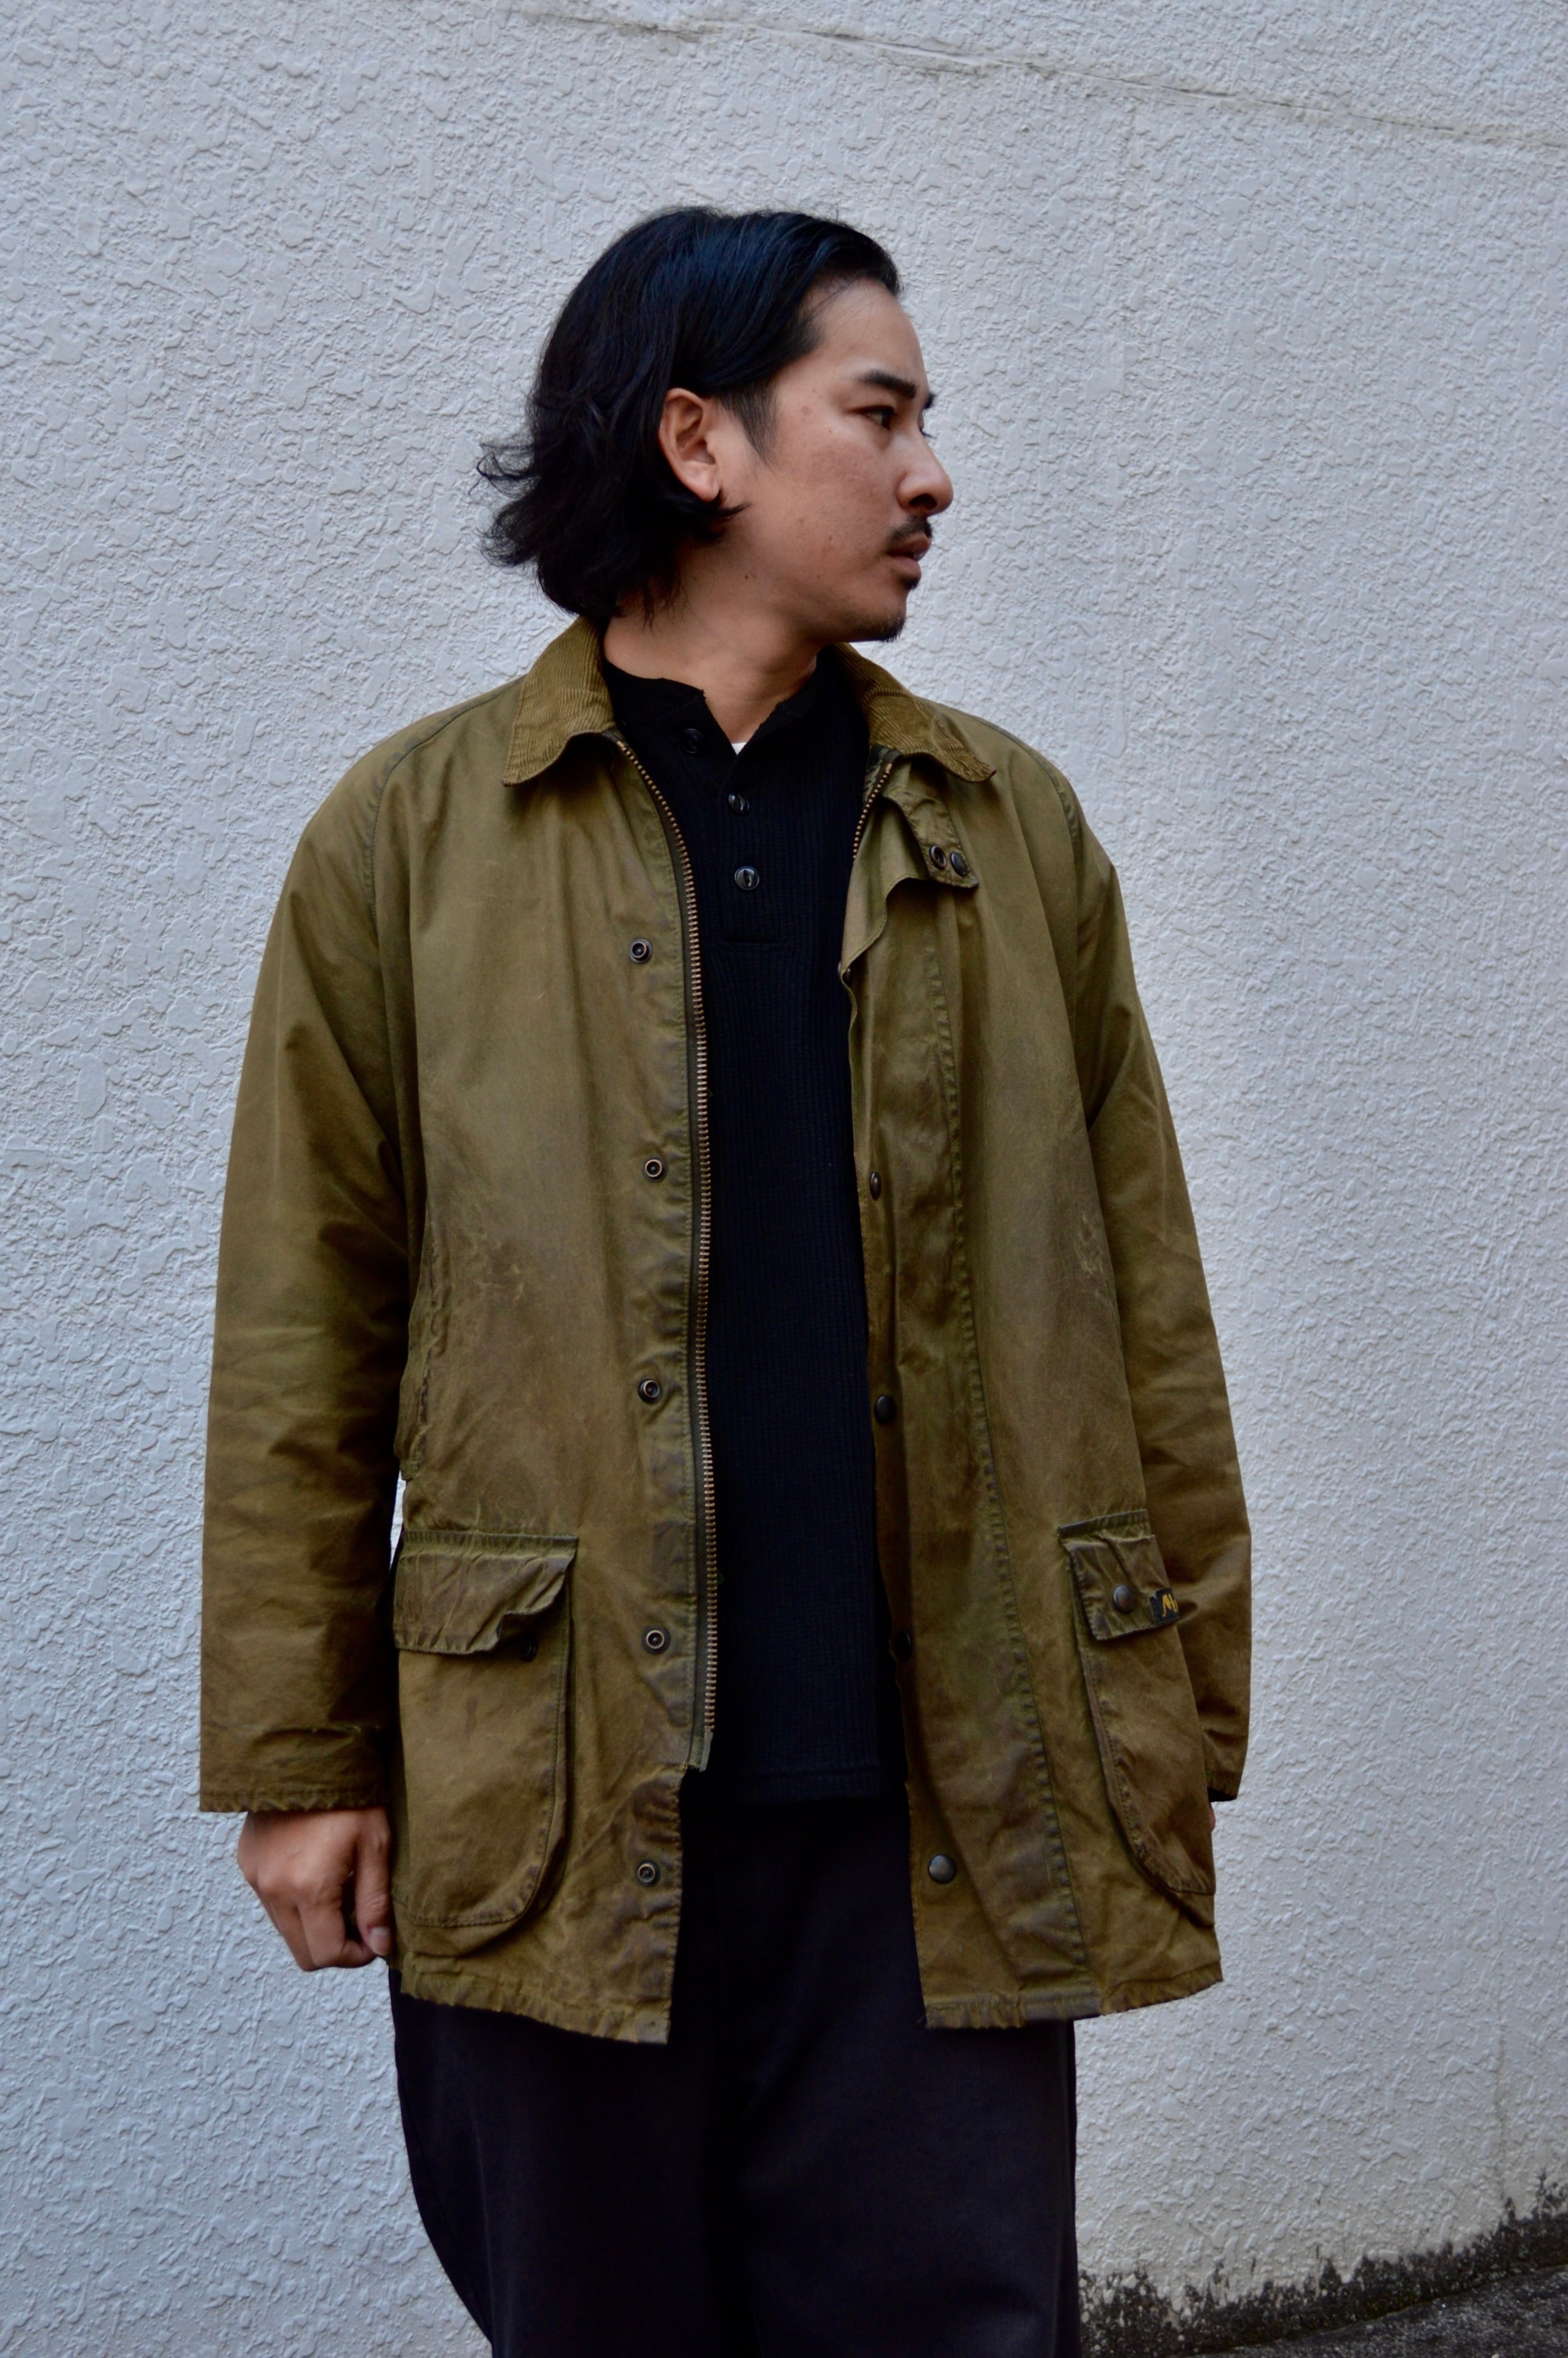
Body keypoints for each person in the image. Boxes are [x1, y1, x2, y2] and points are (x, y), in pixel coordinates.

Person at [201, 207, 1251, 2358]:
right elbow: (306, 1326)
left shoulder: (1009, 830)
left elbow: (1144, 1295)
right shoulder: (413, 841)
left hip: (938, 1810)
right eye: (882, 413)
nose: (934, 472)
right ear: (701, 442)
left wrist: (1181, 1693)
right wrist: (301, 1759)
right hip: (561, 1799)